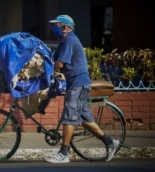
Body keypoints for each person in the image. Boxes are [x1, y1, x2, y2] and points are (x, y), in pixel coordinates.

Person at [45, 14, 119, 163]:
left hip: (78, 84)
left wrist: (43, 70)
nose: (54, 28)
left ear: (65, 27)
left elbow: (59, 64)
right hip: (77, 83)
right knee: (84, 119)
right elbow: (54, 61)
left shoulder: (70, 40)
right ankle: (110, 142)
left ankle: (64, 153)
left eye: (57, 25)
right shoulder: (64, 42)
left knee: (69, 117)